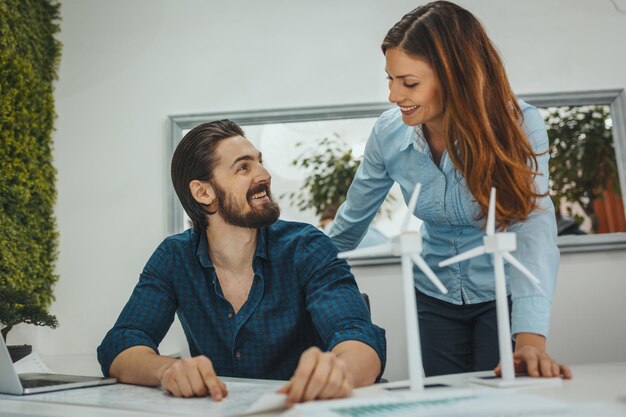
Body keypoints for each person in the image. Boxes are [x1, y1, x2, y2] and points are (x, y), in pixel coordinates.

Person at [329, 1, 572, 379]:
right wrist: (309, 267)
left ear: (455, 76)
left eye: (409, 83)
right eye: (390, 80)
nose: (393, 96)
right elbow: (354, 216)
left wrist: (530, 340)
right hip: (434, 295)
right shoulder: (389, 133)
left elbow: (532, 226)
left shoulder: (518, 124)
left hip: (503, 294)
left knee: (502, 400)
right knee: (444, 400)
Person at [97, 120, 386, 404]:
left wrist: (340, 371)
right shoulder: (174, 257)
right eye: (243, 167)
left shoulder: (307, 247)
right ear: (203, 192)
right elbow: (121, 344)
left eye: (260, 162)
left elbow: (357, 337)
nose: (264, 175)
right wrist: (167, 370)